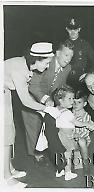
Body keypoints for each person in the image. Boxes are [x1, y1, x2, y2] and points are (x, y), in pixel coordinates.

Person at [4, 42, 61, 187]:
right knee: (5, 135)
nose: (47, 66)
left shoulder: (26, 66)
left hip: (4, 93)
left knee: (9, 132)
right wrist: (45, 109)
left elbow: (28, 98)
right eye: (46, 62)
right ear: (37, 59)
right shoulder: (20, 69)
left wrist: (41, 110)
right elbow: (25, 101)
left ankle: (8, 169)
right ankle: (6, 177)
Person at [21, 40, 74, 163]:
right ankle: (36, 155)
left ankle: (46, 152)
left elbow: (61, 86)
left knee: (46, 127)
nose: (69, 59)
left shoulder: (68, 68)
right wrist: (46, 99)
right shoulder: (45, 62)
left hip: (49, 101)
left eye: (71, 56)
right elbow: (33, 86)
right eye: (66, 55)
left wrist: (65, 100)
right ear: (57, 53)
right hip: (31, 98)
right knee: (33, 126)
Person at [53, 86, 94, 180]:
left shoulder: (86, 116)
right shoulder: (68, 112)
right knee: (65, 150)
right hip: (69, 138)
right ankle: (64, 168)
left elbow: (86, 130)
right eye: (73, 102)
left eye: (79, 102)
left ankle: (86, 163)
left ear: (84, 104)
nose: (75, 104)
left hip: (81, 138)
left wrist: (77, 134)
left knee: (82, 141)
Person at [65, 17, 94, 91]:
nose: (73, 32)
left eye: (75, 29)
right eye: (70, 29)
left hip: (80, 80)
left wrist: (89, 74)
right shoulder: (63, 45)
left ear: (79, 29)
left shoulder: (84, 44)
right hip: (65, 79)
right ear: (67, 29)